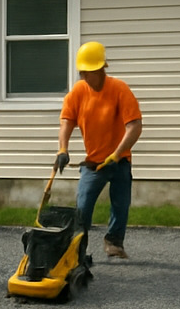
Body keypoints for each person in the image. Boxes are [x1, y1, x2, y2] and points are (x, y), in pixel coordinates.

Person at [56, 41, 143, 259]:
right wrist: (62, 150)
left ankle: (114, 242)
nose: (84, 78)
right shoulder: (79, 91)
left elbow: (134, 126)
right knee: (83, 208)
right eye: (81, 73)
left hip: (119, 160)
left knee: (121, 204)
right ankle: (77, 250)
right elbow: (67, 120)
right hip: (94, 163)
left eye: (88, 73)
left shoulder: (119, 89)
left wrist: (117, 153)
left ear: (101, 69)